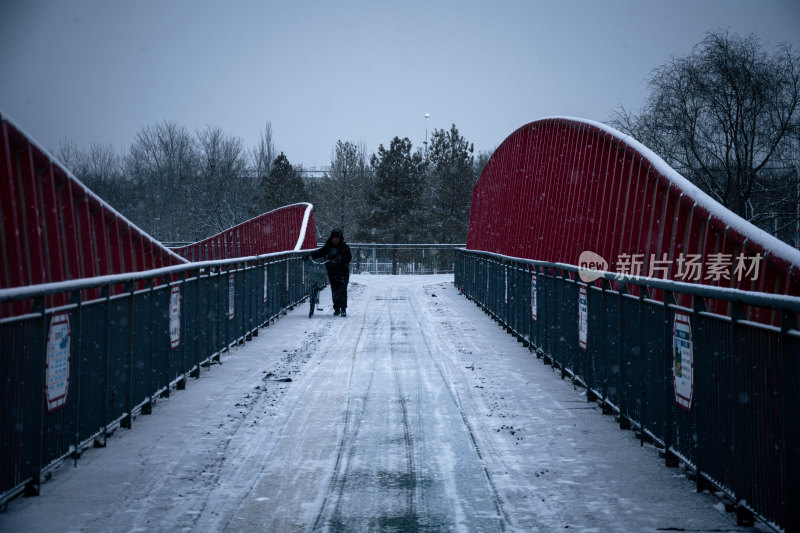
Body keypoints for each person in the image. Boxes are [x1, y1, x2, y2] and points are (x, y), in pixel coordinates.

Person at [304, 228, 352, 317]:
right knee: (334, 290)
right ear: (331, 238)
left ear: (340, 238)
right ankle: (337, 308)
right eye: (334, 237)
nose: (335, 239)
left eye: (337, 238)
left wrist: (339, 260)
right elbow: (320, 252)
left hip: (343, 272)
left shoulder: (345, 247)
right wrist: (310, 255)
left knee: (342, 290)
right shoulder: (328, 246)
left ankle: (343, 308)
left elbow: (348, 258)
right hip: (332, 272)